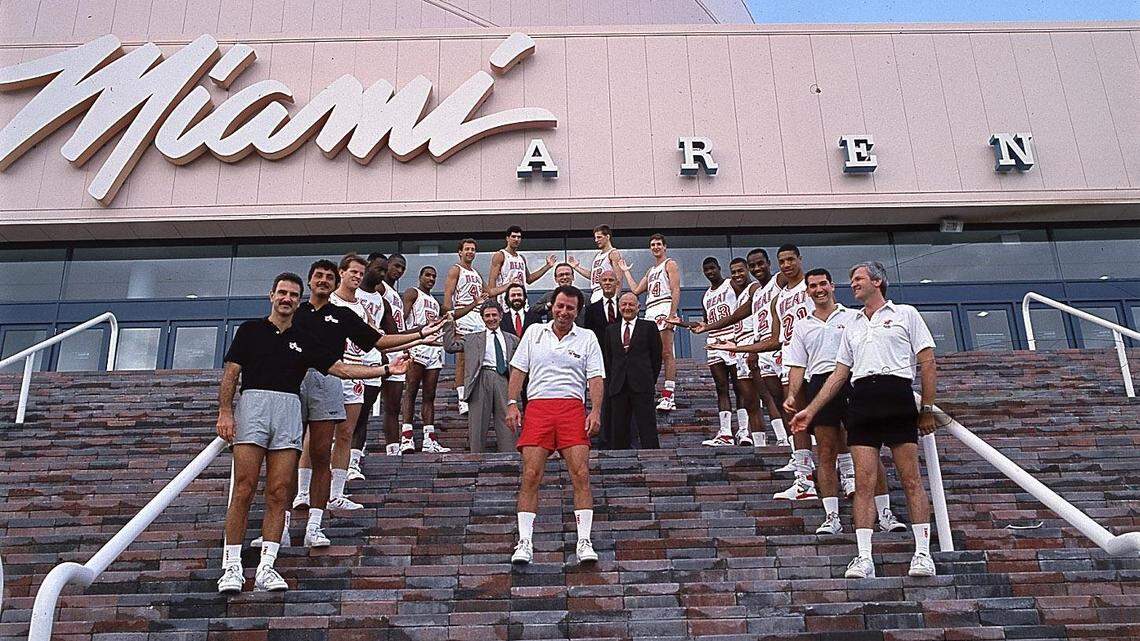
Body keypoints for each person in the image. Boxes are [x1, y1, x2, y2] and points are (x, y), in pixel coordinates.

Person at [216, 272, 407, 594]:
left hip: (289, 409)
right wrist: (225, 412)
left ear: (298, 299)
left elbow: (342, 369)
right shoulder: (250, 330)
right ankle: (232, 566)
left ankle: (267, 566)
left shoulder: (304, 338)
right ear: (271, 296)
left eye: (293, 294)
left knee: (279, 491)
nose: (287, 298)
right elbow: (231, 373)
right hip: (254, 407)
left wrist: (386, 369)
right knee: (244, 487)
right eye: (282, 293)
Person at [791, 261, 939, 579]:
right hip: (862, 398)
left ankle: (923, 553)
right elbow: (838, 374)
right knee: (863, 482)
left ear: (877, 281)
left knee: (911, 479)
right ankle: (863, 557)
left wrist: (927, 409)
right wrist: (811, 410)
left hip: (897, 394)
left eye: (858, 278)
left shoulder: (906, 315)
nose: (853, 284)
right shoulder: (853, 325)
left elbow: (927, 362)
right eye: (852, 279)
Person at [290, 259, 444, 547]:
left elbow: (378, 340)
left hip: (354, 371)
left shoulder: (357, 309)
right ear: (341, 274)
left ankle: (335, 493)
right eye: (353, 272)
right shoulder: (314, 306)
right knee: (308, 438)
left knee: (345, 433)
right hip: (316, 375)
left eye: (361, 273)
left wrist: (419, 337)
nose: (357, 277)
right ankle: (300, 493)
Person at [506, 285, 605, 565]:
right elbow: (519, 369)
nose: (564, 312)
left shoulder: (587, 337)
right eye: (560, 306)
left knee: (581, 473)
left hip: (572, 408)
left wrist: (595, 411)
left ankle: (584, 541)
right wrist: (512, 403)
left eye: (570, 308)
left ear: (577, 311)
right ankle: (525, 542)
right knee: (531, 474)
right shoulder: (535, 332)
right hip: (538, 407)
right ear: (551, 305)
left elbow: (596, 378)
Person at [682, 257, 752, 448]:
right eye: (706, 270)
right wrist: (681, 323)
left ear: (719, 268)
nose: (710, 272)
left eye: (712, 268)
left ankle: (744, 430)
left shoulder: (731, 284)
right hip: (714, 341)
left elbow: (745, 306)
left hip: (732, 338)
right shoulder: (705, 295)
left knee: (740, 387)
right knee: (721, 387)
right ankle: (726, 432)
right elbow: (706, 323)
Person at [443, 239, 509, 416]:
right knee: (462, 359)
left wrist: (508, 285)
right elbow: (448, 294)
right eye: (467, 249)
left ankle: (477, 392)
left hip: (478, 316)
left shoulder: (477, 272)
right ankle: (461, 398)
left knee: (481, 357)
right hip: (463, 313)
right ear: (460, 252)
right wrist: (450, 318)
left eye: (473, 249)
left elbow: (490, 292)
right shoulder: (456, 269)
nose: (470, 252)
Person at [443, 301, 520, 452]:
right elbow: (450, 346)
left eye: (494, 315)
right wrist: (449, 323)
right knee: (477, 425)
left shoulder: (512, 339)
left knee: (508, 424)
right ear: (482, 318)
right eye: (487, 316)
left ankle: (510, 458)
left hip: (503, 379)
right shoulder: (472, 338)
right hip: (480, 379)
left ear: (501, 316)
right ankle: (476, 457)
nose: (491, 319)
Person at [618, 233, 681, 411]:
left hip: (664, 306)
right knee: (649, 353)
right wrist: (625, 270)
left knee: (666, 352)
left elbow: (676, 289)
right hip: (650, 309)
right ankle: (650, 390)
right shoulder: (651, 270)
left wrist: (672, 313)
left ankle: (669, 394)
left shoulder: (670, 264)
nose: (655, 247)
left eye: (659, 244)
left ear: (665, 246)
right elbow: (636, 290)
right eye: (653, 244)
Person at [602, 292, 662, 449]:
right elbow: (609, 359)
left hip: (642, 384)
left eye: (631, 304)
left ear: (638, 307)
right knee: (618, 428)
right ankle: (619, 463)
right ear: (619, 307)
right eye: (624, 304)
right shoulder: (610, 330)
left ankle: (653, 459)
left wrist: (649, 379)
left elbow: (656, 357)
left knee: (647, 426)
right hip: (618, 386)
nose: (627, 307)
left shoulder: (649, 327)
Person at [347, 253, 388, 475]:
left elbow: (382, 333)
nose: (382, 275)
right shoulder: (349, 294)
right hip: (348, 361)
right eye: (379, 270)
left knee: (362, 415)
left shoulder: (380, 300)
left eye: (384, 271)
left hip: (371, 362)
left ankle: (354, 461)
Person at [488, 225, 557, 306]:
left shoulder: (521, 258)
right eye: (513, 236)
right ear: (507, 238)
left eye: (519, 237)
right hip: (505, 299)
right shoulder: (500, 255)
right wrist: (492, 303)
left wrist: (547, 266)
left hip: (521, 299)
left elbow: (529, 279)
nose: (516, 239)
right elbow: (492, 280)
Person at [568, 225, 624, 304]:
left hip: (606, 292)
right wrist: (576, 267)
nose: (596, 240)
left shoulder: (613, 253)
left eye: (599, 237)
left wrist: (616, 298)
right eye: (595, 238)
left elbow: (619, 278)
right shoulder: (598, 256)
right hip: (595, 293)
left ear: (607, 237)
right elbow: (593, 276)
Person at [583, 270, 621, 348]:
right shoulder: (591, 309)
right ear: (600, 284)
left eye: (611, 280)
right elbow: (588, 333)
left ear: (617, 283)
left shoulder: (625, 306)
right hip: (600, 352)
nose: (607, 283)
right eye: (604, 280)